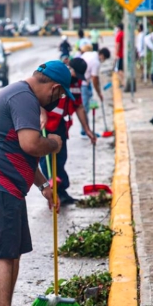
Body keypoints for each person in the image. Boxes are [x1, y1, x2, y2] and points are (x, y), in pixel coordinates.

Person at [0, 60, 73, 306]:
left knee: (12, 251)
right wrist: (55, 144)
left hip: (6, 185)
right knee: (1, 252)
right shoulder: (23, 97)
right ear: (55, 87)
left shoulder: (23, 97)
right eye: (60, 95)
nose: (59, 100)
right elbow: (32, 145)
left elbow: (22, 154)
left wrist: (43, 186)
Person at [40, 57, 97, 205]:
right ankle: (54, 191)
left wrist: (87, 130)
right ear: (68, 68)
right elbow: (36, 96)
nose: (75, 79)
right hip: (43, 125)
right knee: (46, 161)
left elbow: (78, 106)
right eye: (74, 75)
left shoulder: (76, 83)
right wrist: (42, 113)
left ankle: (61, 189)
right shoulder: (54, 78)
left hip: (59, 125)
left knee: (61, 158)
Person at [80, 44, 104, 137]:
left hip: (86, 84)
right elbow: (95, 79)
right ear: (102, 56)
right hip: (83, 85)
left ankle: (86, 130)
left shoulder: (91, 55)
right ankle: (85, 131)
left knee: (86, 108)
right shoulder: (96, 61)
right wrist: (99, 93)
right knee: (84, 109)